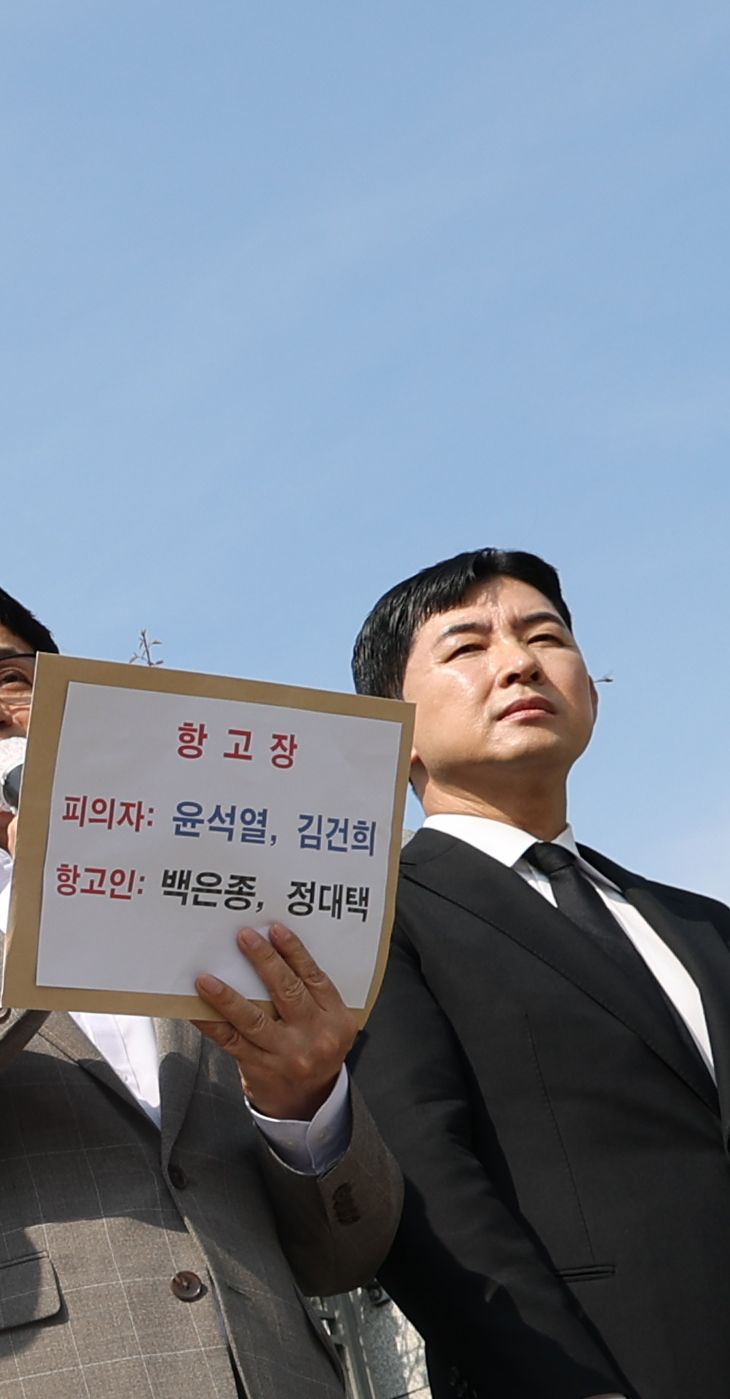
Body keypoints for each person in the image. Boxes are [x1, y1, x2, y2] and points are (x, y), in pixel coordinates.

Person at [0, 563, 400, 1399]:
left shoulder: (212, 923)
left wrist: (305, 1106)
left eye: (14, 679)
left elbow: (349, 1253)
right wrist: (39, 909)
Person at [348, 549, 730, 1399]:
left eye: (545, 636)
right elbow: (425, 1187)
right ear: (391, 733)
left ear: (590, 690)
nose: (520, 661)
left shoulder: (705, 925)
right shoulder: (374, 916)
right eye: (467, 647)